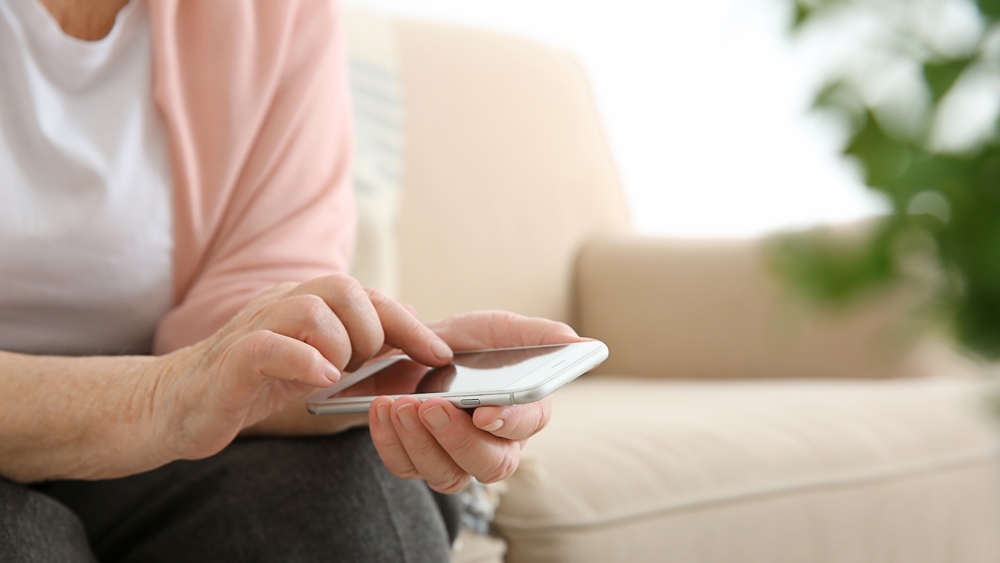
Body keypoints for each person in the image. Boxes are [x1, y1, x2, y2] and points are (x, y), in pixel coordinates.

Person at [0, 1, 579, 560]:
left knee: (356, 496)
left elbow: (240, 318)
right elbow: (185, 387)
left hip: (148, 445)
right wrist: (158, 397)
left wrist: (366, 370)